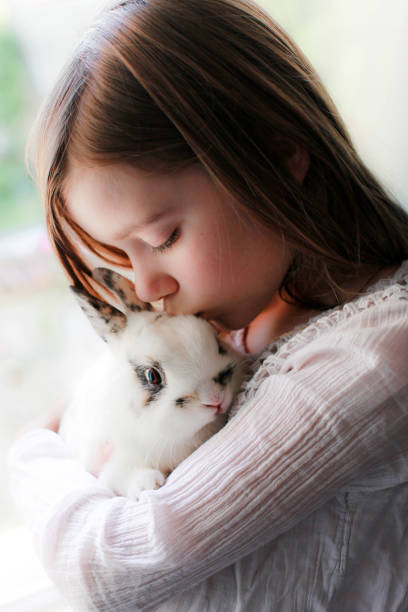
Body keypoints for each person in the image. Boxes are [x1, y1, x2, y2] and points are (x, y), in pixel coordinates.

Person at [8, 0, 408, 610]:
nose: (146, 288)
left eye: (163, 238)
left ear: (278, 156)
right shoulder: (246, 338)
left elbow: (115, 565)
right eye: (119, 258)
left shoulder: (372, 359)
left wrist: (33, 450)